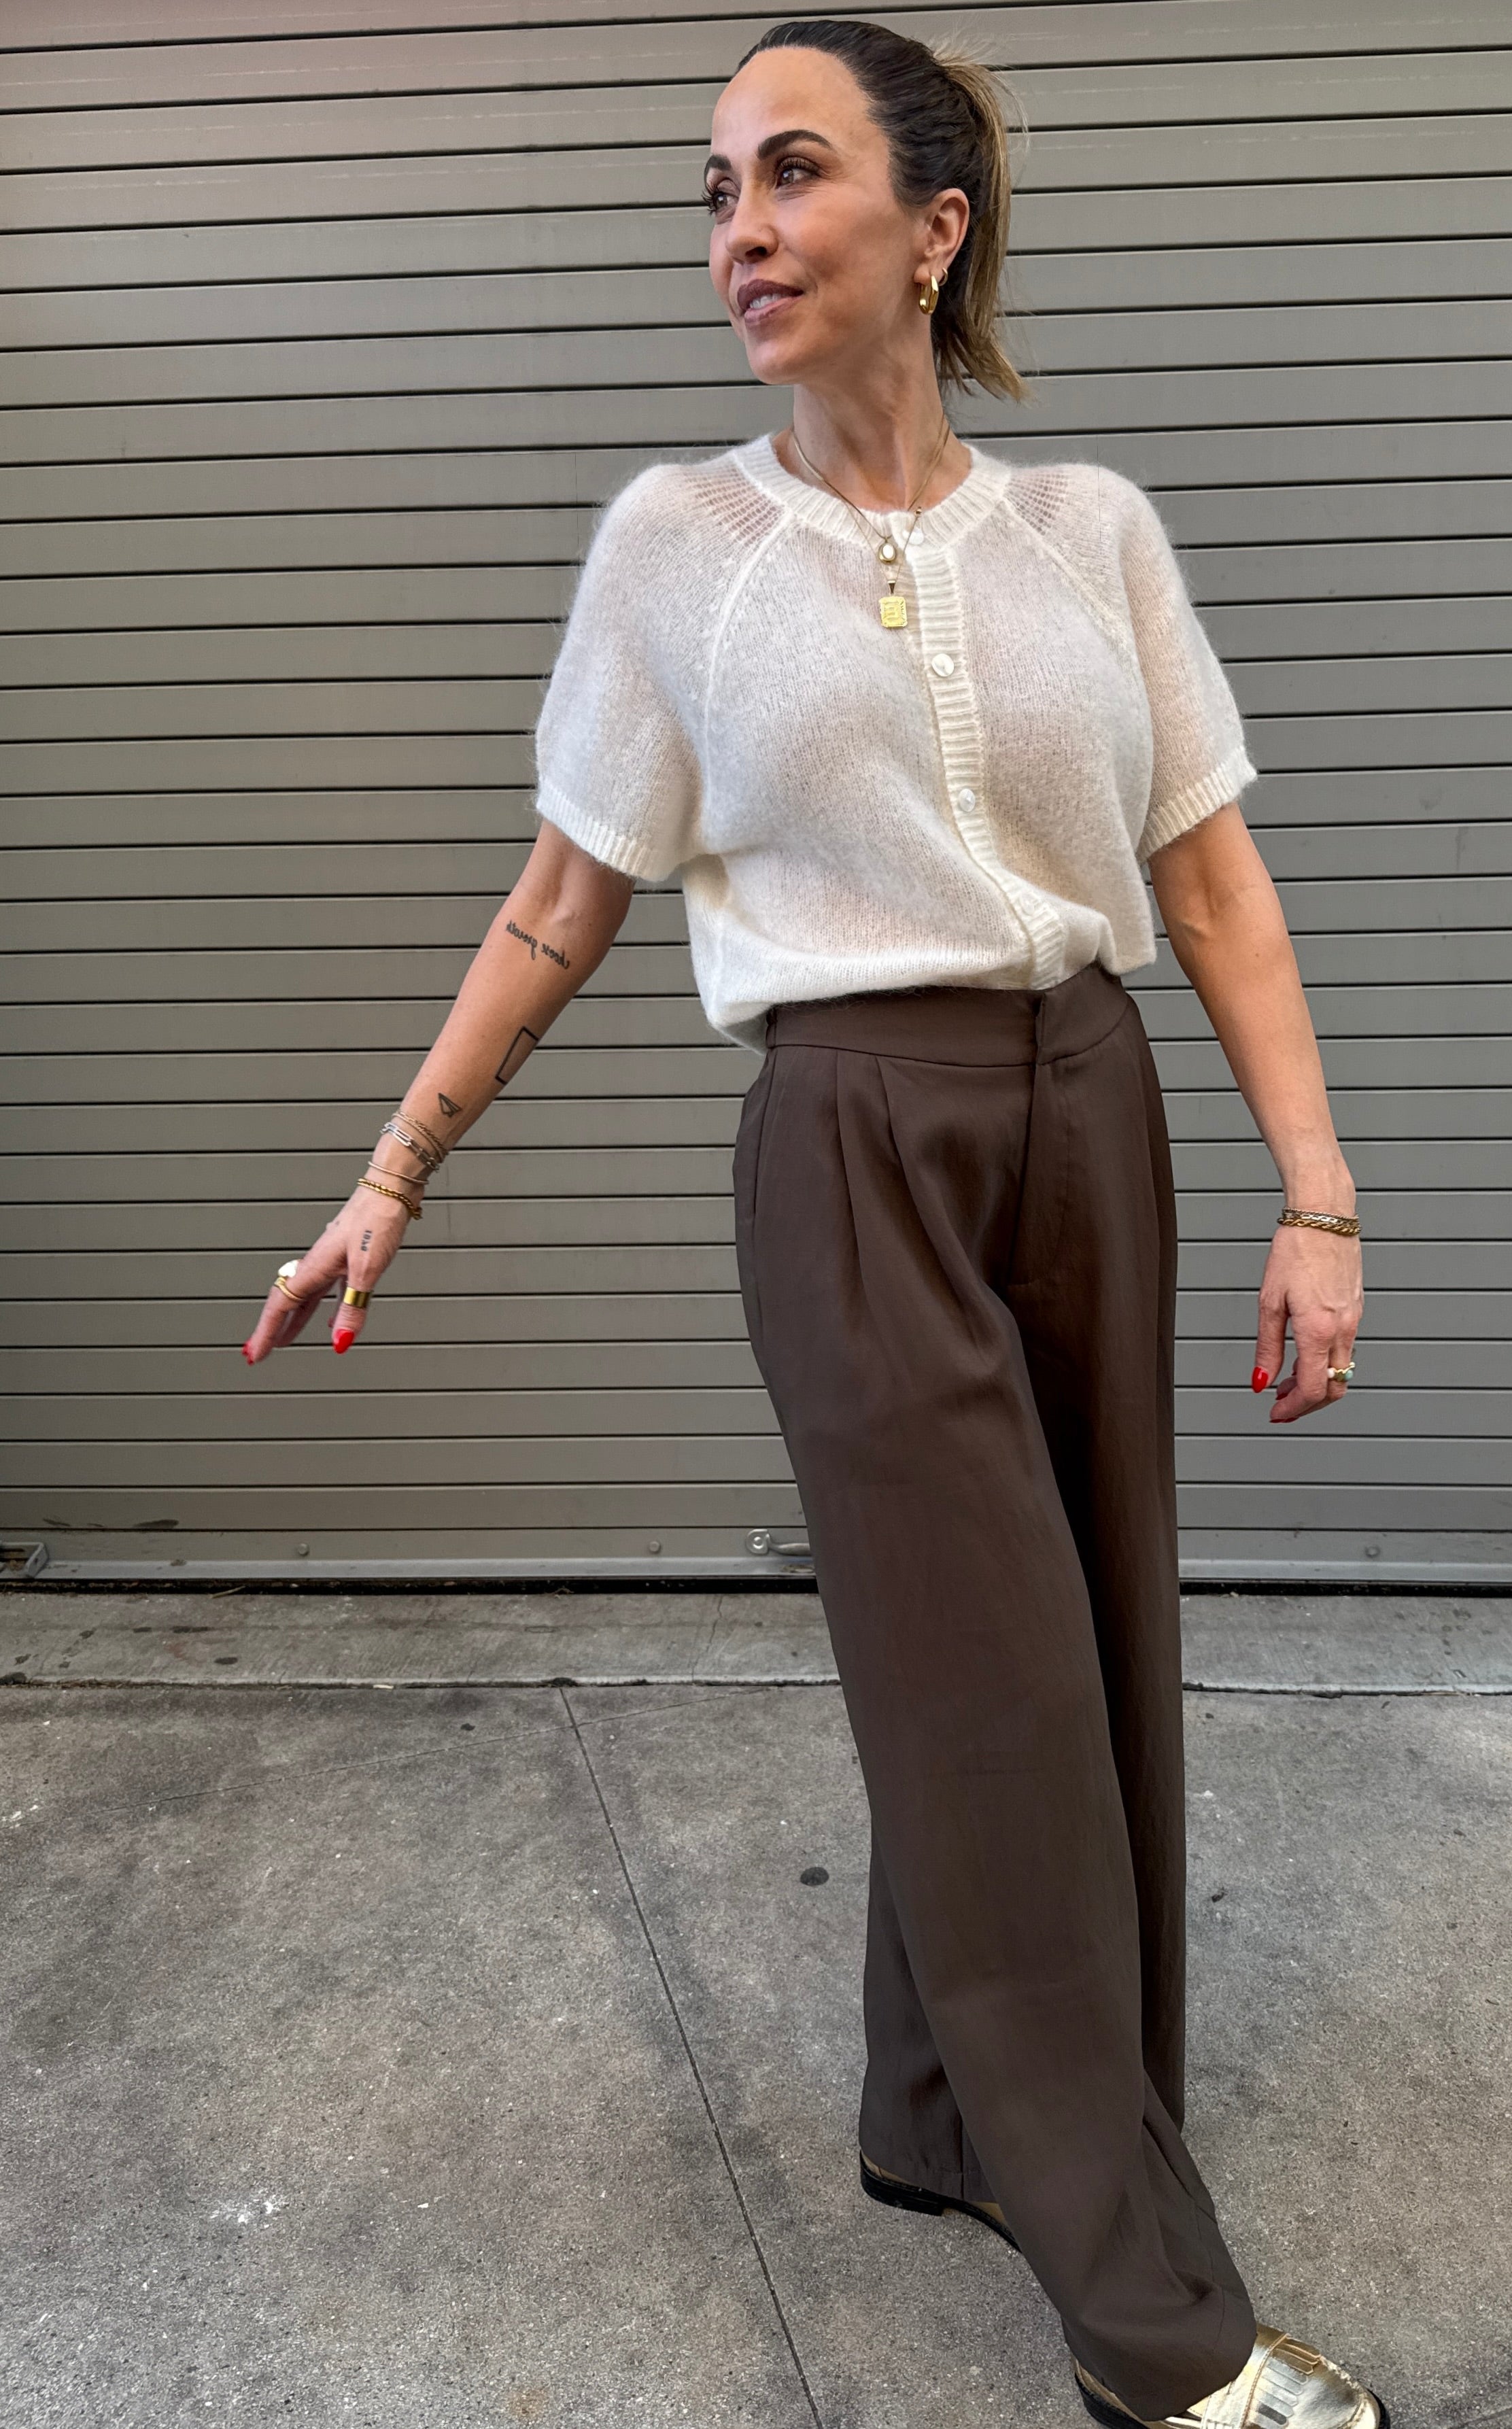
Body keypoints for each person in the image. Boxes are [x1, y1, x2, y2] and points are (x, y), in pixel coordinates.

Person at [243, 18, 1374, 2427]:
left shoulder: (1094, 531)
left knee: (1095, 1653)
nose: (738, 231)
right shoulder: (677, 546)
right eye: (716, 191)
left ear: (934, 227)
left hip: (1096, 1112)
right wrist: (390, 1175)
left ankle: (950, 2122)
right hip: (852, 1135)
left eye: (792, 175)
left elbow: (1213, 878)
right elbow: (563, 899)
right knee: (992, 1712)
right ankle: (1154, 2333)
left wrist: (1320, 1195)